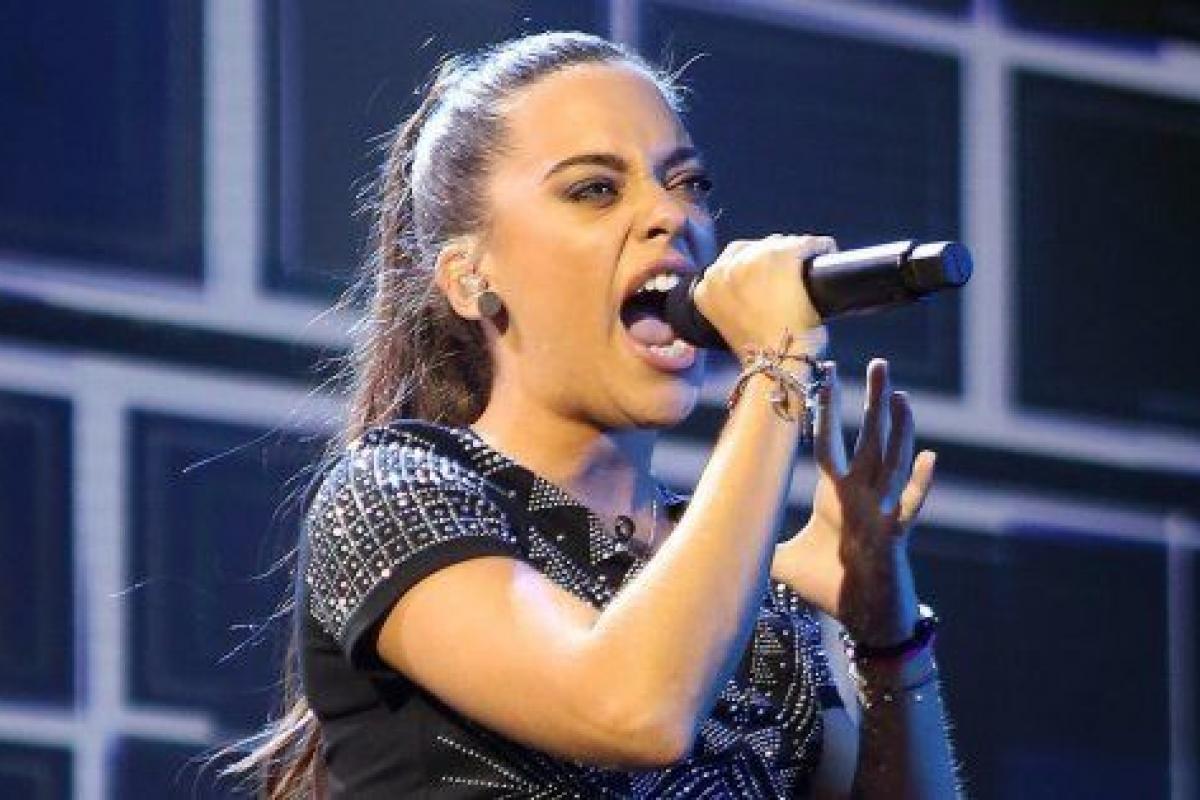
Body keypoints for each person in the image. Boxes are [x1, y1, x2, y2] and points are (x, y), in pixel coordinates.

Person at [233, 30, 960, 799]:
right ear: (470, 278)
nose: (670, 215)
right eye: (595, 190)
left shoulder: (752, 586)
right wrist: (774, 366)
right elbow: (635, 710)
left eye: (687, 183)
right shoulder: (393, 494)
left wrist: (888, 641)